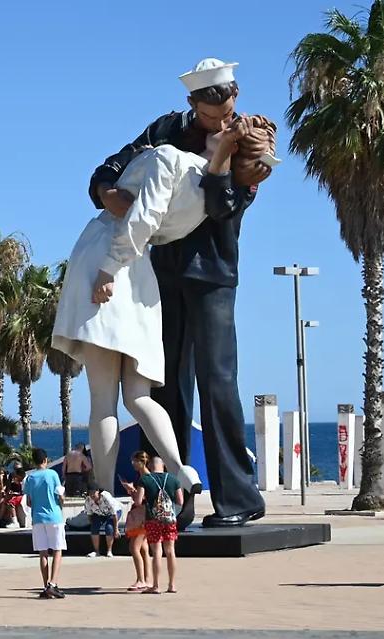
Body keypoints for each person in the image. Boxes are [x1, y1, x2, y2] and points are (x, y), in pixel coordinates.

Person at [85, 58, 273, 529]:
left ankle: (238, 497)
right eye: (212, 112)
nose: (223, 117)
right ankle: (172, 499)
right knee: (163, 384)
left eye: (228, 105)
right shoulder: (166, 128)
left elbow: (224, 205)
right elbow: (111, 166)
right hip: (159, 272)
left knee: (217, 381)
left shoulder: (248, 137)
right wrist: (108, 191)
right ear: (193, 103)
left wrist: (223, 154)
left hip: (212, 272)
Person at [134, 456, 183, 594]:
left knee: (156, 552)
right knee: (170, 551)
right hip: (170, 519)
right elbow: (180, 501)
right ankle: (172, 585)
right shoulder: (173, 479)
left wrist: (135, 492)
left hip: (153, 519)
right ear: (164, 466)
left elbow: (138, 502)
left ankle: (156, 586)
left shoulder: (145, 480)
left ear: (149, 466)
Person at [23, 447, 66, 599]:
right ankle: (53, 584)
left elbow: (28, 501)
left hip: (37, 518)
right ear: (45, 460)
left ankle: (45, 584)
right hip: (54, 517)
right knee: (57, 550)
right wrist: (60, 504)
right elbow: (60, 495)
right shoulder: (52, 474)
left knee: (43, 553)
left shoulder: (30, 478)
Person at [121, 451, 153, 591]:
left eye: (134, 461)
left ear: (141, 462)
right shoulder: (150, 477)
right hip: (149, 515)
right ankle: (148, 579)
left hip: (141, 516)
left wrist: (131, 490)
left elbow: (139, 501)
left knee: (134, 548)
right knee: (144, 548)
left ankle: (141, 579)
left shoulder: (143, 479)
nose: (133, 464)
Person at [85, 484, 120, 558]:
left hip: (114, 512)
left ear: (98, 492)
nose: (92, 495)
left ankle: (109, 551)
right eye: (90, 493)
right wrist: (93, 525)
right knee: (94, 527)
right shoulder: (88, 500)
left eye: (93, 492)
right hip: (99, 513)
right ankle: (96, 551)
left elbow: (114, 514)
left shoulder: (106, 497)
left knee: (109, 527)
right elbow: (89, 515)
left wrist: (116, 529)